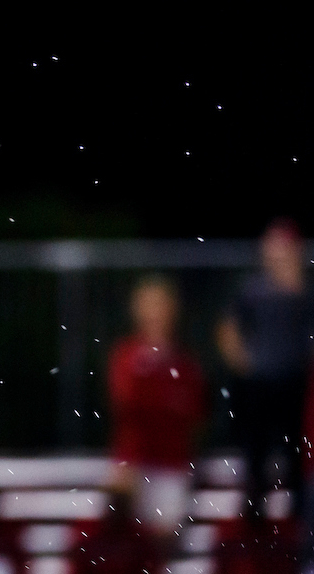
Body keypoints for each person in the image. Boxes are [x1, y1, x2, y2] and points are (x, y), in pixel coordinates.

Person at [216, 217, 314, 517]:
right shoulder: (253, 289)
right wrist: (244, 363)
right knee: (256, 454)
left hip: (295, 383)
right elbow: (228, 327)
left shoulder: (305, 291)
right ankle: (254, 516)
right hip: (260, 384)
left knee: (296, 453)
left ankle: (298, 516)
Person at [106, 275, 207, 541]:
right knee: (122, 517)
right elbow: (126, 405)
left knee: (163, 531)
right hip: (135, 464)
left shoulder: (185, 363)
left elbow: (194, 416)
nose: (156, 313)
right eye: (149, 305)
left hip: (171, 465)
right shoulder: (126, 356)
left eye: (161, 305)